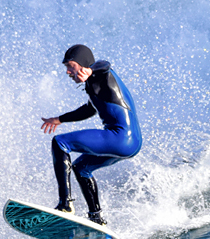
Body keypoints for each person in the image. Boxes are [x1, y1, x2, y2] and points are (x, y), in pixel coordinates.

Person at [41, 44, 142, 225]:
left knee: (60, 143)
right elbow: (89, 110)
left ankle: (65, 205)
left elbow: (104, 64)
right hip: (131, 144)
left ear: (83, 64)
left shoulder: (102, 74)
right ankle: (96, 218)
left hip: (119, 138)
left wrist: (90, 70)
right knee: (81, 168)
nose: (68, 72)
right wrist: (59, 119)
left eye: (70, 66)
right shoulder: (94, 85)